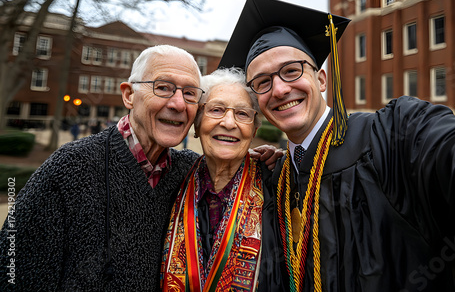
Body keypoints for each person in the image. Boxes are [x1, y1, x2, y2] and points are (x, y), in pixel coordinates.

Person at [218, 0, 455, 291]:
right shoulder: (275, 179)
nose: (279, 89)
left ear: (322, 79)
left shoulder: (393, 137)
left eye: (291, 70)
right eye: (262, 82)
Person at [0, 44, 280, 291]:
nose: (178, 103)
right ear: (128, 95)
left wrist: (257, 157)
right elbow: (13, 274)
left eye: (190, 93)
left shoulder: (185, 171)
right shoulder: (69, 168)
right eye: (163, 87)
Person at [159, 68, 270, 291]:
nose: (229, 123)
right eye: (216, 110)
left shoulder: (276, 189)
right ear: (197, 125)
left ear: (254, 128)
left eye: (242, 114)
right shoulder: (170, 179)